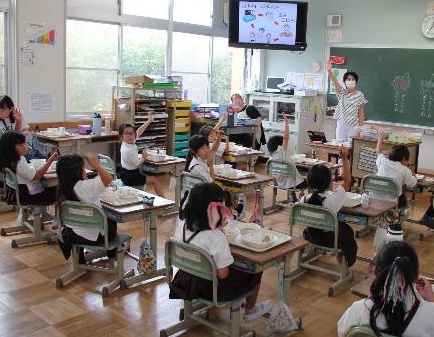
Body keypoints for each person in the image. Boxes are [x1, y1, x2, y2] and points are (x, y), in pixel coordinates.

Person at [169, 182, 272, 322]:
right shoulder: (216, 236)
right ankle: (250, 309)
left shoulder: (182, 225)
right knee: (254, 271)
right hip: (211, 290)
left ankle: (194, 308)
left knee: (217, 265)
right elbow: (222, 274)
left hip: (184, 280)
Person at [338, 241, 434, 337]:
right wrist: (432, 298)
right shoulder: (433, 317)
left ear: (375, 272)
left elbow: (342, 334)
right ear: (415, 277)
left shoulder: (358, 311)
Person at [301, 146, 357, 270]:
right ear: (329, 182)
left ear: (309, 182)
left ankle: (308, 251)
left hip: (311, 236)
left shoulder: (303, 200)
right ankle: (344, 267)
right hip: (331, 240)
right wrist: (344, 158)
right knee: (347, 232)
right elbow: (347, 181)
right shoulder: (332, 200)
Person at [56, 153, 118, 264]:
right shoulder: (84, 187)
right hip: (95, 237)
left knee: (90, 217)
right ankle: (112, 251)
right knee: (111, 217)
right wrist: (96, 164)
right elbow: (108, 179)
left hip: (74, 233)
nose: (85, 170)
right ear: (77, 172)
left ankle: (80, 257)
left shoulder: (62, 189)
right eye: (83, 168)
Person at [0, 130, 57, 205]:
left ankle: (38, 215)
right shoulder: (18, 162)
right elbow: (36, 177)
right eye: (21, 145)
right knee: (59, 190)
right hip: (27, 194)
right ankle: (50, 215)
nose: (25, 146)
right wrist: (50, 161)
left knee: (55, 189)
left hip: (16, 192)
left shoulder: (10, 159)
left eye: (25, 143)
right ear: (10, 147)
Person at [118, 112, 165, 197]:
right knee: (155, 180)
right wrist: (143, 158)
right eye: (126, 133)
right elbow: (137, 164)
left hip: (125, 173)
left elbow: (139, 131)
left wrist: (149, 121)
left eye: (131, 133)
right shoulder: (127, 150)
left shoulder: (128, 142)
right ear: (121, 137)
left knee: (147, 174)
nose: (130, 135)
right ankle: (166, 204)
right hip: (130, 177)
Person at [266, 115, 307, 202]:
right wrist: (287, 123)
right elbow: (286, 138)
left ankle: (293, 197)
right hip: (296, 184)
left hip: (280, 184)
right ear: (279, 145)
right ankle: (305, 200)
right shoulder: (281, 151)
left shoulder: (271, 159)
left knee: (291, 175)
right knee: (310, 178)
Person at [326, 60, 367, 142]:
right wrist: (329, 71)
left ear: (356, 81)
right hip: (342, 124)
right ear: (345, 81)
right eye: (348, 79)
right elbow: (335, 82)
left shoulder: (360, 95)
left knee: (351, 148)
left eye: (353, 79)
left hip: (354, 125)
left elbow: (361, 113)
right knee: (340, 146)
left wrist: (360, 129)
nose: (350, 81)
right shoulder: (342, 93)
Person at [375, 133, 417, 210]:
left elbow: (378, 151)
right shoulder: (405, 170)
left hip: (374, 200)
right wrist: (411, 169)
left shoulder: (383, 161)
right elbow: (413, 184)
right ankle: (399, 216)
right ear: (404, 158)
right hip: (391, 203)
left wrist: (380, 139)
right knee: (403, 197)